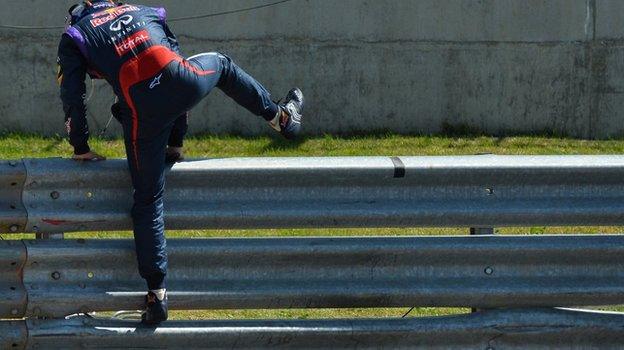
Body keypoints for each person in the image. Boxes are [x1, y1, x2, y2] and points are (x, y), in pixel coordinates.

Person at [57, 0, 304, 324]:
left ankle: (157, 296)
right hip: (180, 81)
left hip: (142, 109)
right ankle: (282, 118)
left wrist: (80, 146)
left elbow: (72, 96)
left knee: (147, 200)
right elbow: (172, 62)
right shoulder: (142, 10)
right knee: (222, 65)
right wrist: (176, 143)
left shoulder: (75, 33)